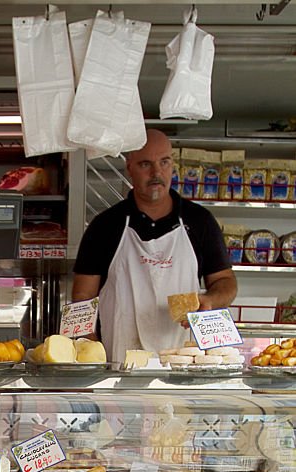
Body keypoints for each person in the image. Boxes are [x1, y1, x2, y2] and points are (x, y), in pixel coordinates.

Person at [72, 129, 237, 363]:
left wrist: (210, 300)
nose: (156, 173)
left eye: (164, 162)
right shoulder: (105, 226)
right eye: (145, 164)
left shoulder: (200, 221)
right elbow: (82, 296)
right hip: (119, 367)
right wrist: (90, 355)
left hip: (183, 365)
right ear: (129, 168)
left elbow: (226, 282)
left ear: (173, 165)